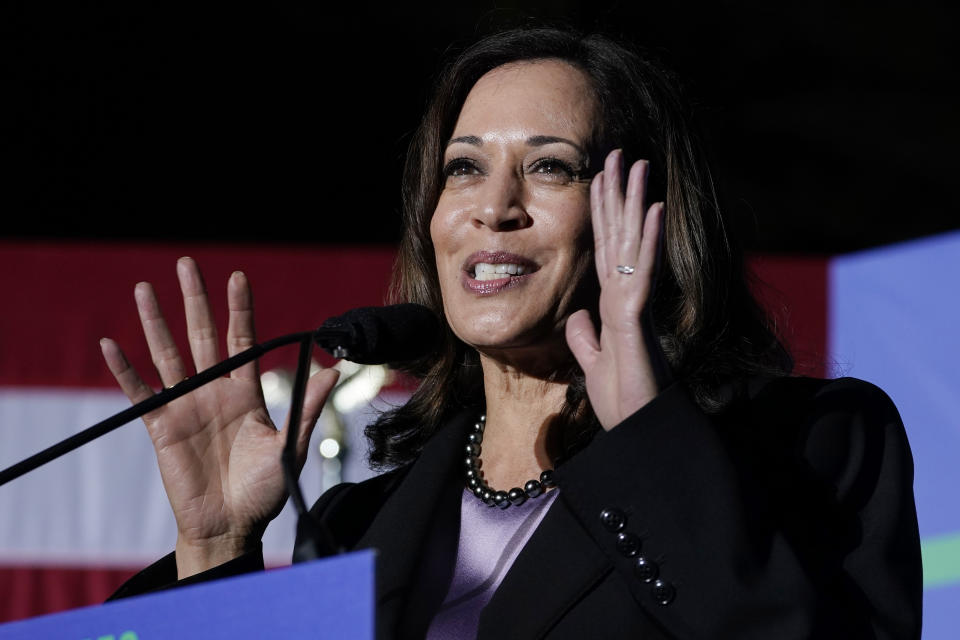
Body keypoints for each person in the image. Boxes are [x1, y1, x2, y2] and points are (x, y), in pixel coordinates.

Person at [104, 27, 922, 639]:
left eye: (549, 166)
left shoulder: (816, 445)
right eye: (463, 168)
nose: (493, 207)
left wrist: (644, 434)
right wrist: (213, 549)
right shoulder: (358, 529)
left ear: (646, 214)